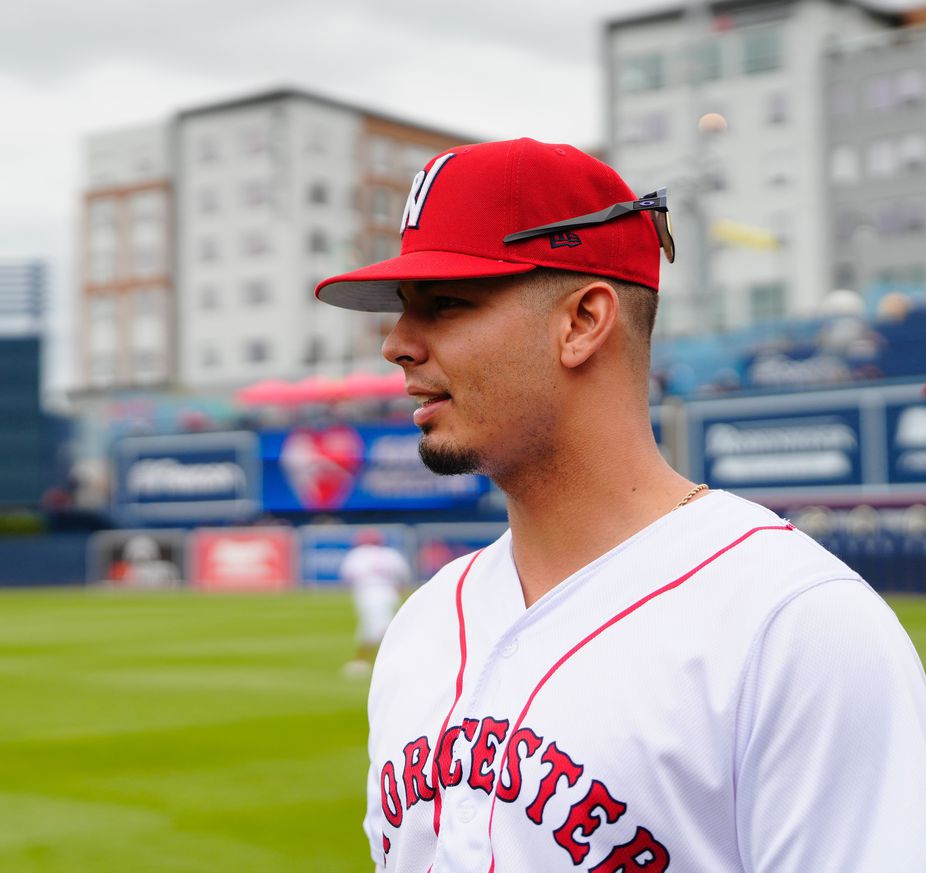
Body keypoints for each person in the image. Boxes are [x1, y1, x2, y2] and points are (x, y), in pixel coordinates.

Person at [314, 138, 926, 872]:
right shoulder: (423, 623)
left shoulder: (794, 625)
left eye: (445, 303)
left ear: (581, 321)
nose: (397, 344)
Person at [339, 528, 411, 677]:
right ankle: (362, 660)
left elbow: (347, 577)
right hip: (389, 592)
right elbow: (404, 577)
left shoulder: (357, 555)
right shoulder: (391, 554)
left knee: (381, 629)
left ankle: (393, 661)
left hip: (367, 592)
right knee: (371, 627)